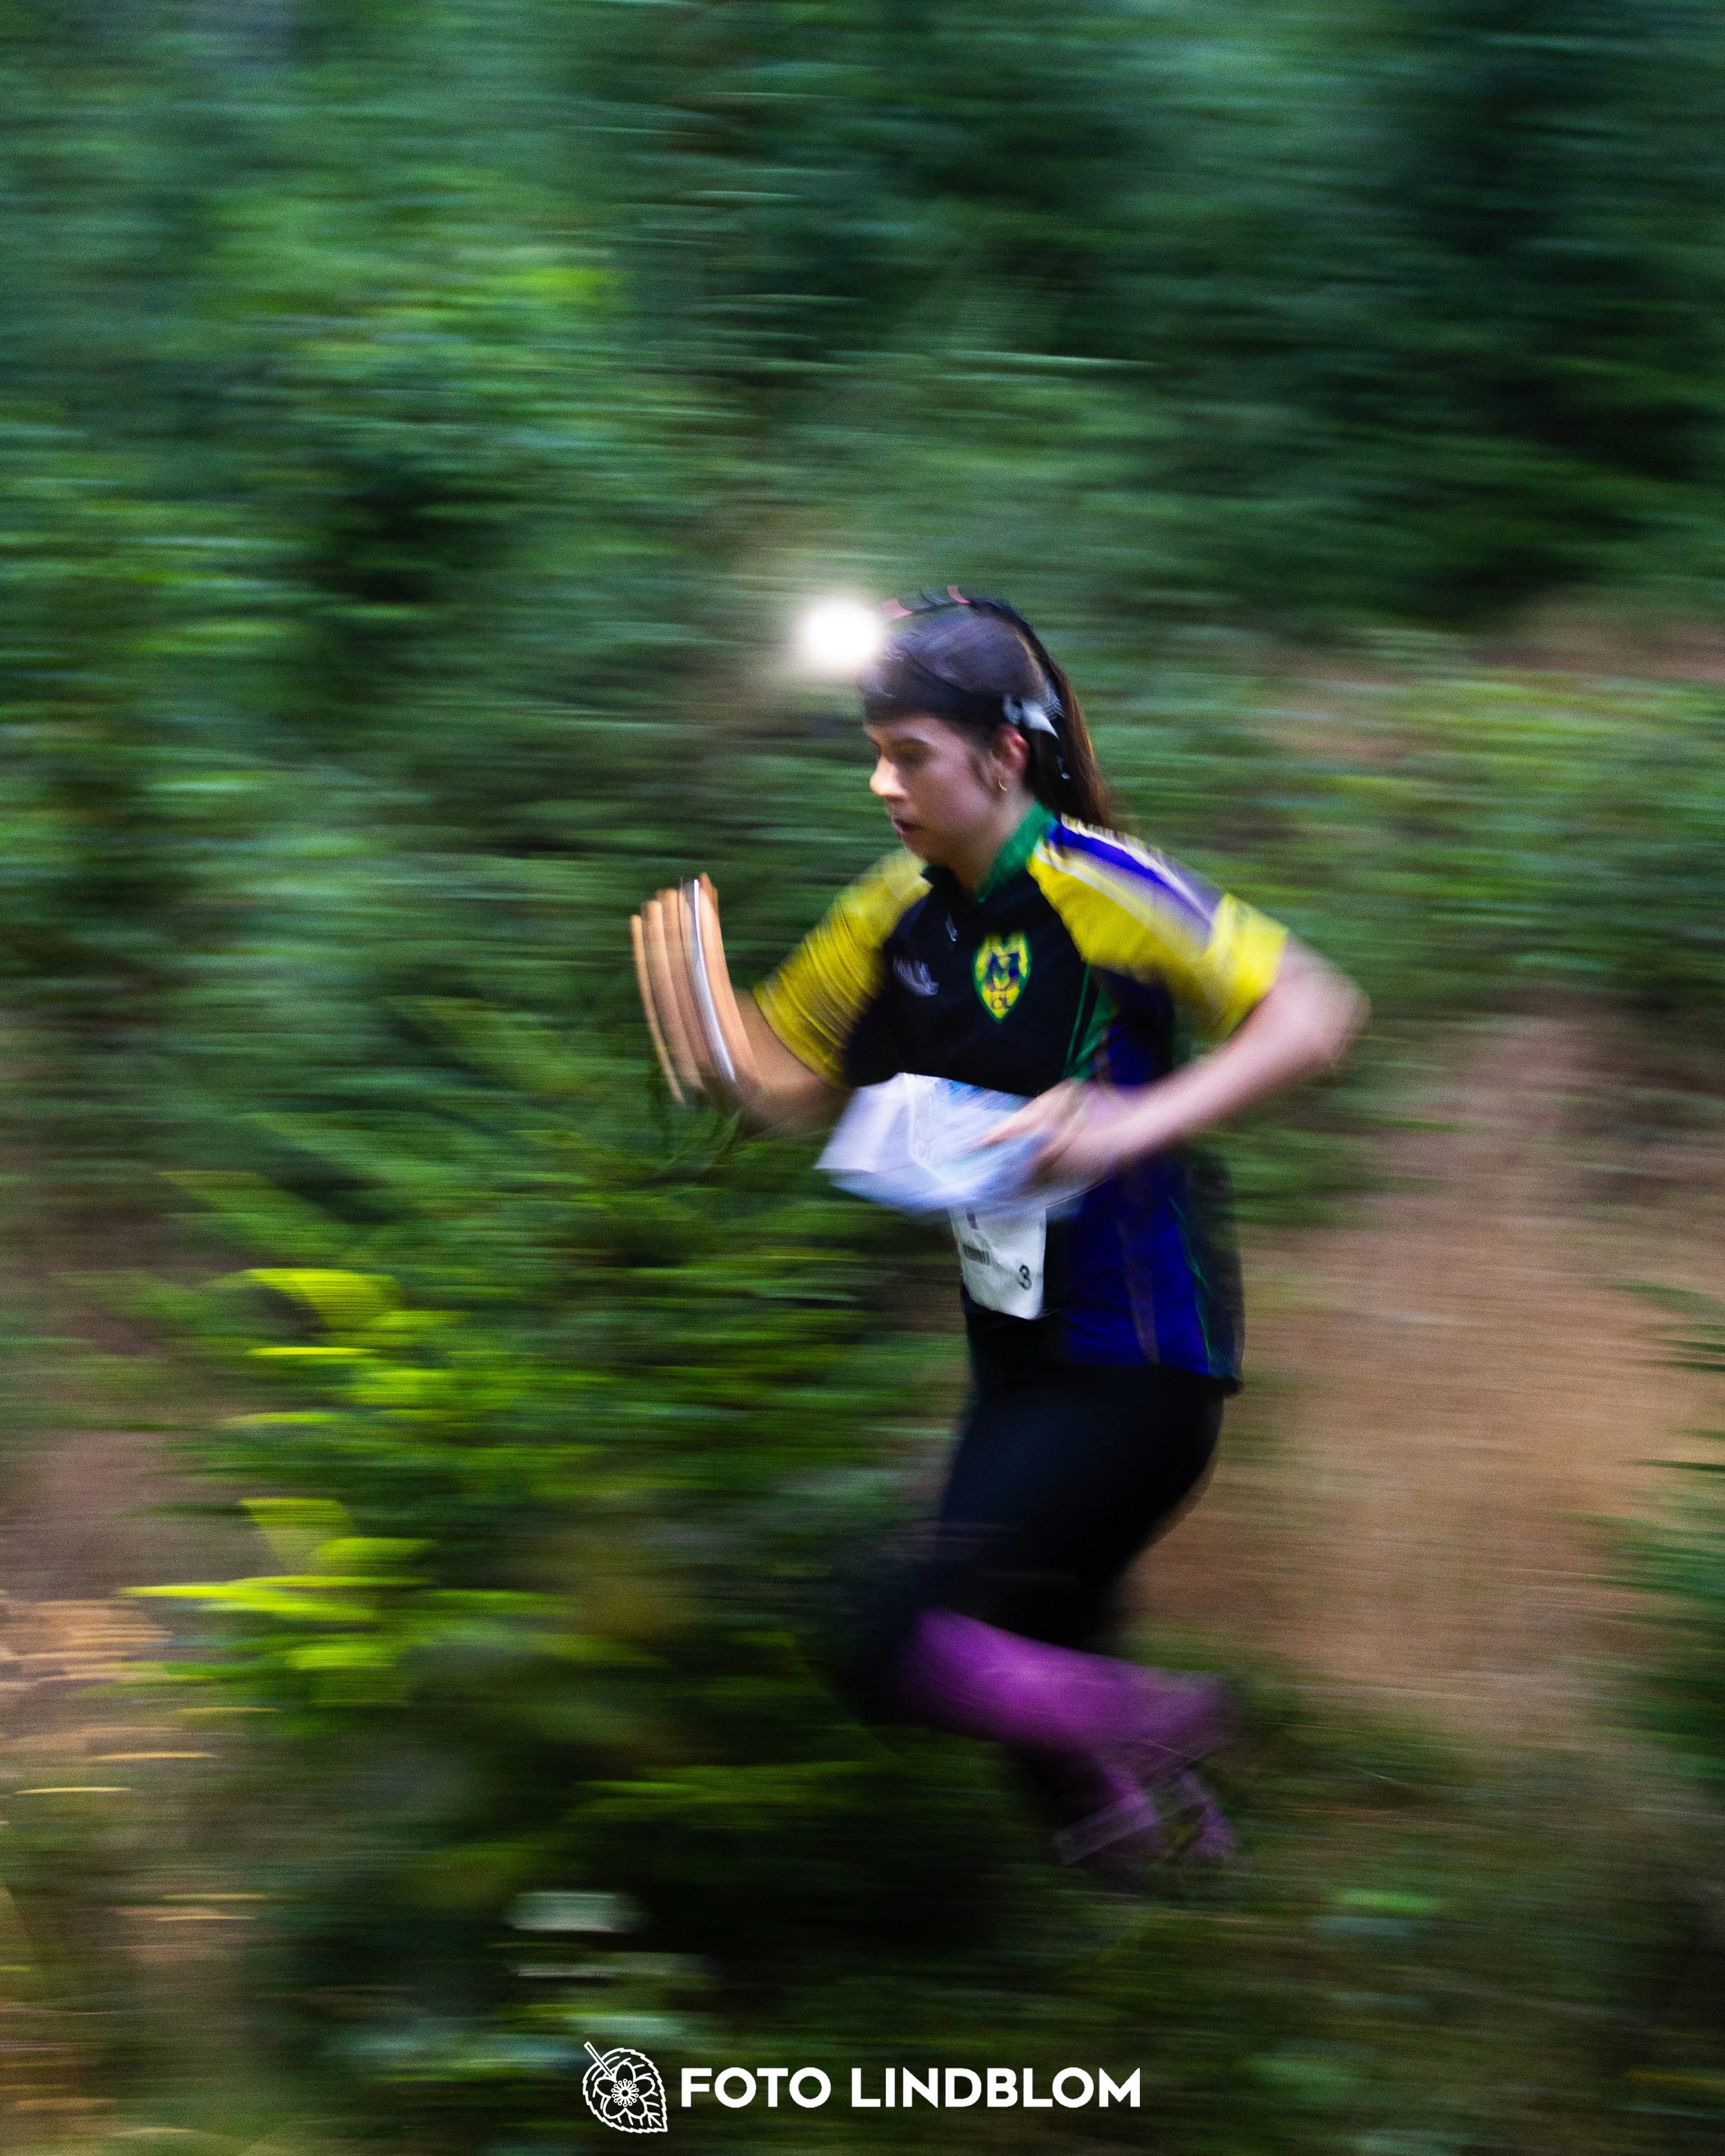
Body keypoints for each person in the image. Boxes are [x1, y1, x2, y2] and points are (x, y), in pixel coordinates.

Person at [708, 589, 1364, 1881]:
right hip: (1013, 1364)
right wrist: (716, 1050)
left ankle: (1184, 1724)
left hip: (1136, 1363)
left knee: (889, 1638)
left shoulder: (1100, 884)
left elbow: (1316, 1011)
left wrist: (1133, 1123)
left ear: (1003, 757)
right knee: (1043, 1757)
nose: (882, 784)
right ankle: (1179, 1911)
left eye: (910, 756)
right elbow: (790, 1081)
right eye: (875, 752)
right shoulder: (890, 911)